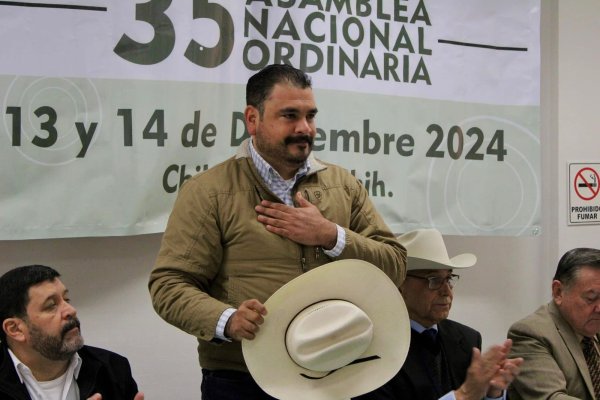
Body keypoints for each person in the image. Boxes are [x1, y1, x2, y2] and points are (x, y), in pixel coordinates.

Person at [148, 63, 406, 399]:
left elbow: (396, 265)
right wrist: (227, 320)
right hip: (244, 379)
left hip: (344, 370)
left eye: (310, 116)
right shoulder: (208, 191)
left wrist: (331, 235)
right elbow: (169, 285)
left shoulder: (344, 185)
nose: (305, 128)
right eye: (289, 115)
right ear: (252, 119)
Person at [355, 228, 523, 400]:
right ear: (399, 285)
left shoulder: (467, 339)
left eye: (449, 279)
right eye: (434, 280)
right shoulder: (371, 349)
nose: (446, 291)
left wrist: (491, 393)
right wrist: (463, 395)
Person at [0, 264, 144, 400]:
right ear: (15, 329)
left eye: (66, 299)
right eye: (51, 306)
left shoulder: (112, 368)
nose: (70, 310)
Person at [507, 247, 600, 400]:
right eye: (591, 298)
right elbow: (551, 397)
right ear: (558, 292)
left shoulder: (592, 326)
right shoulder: (530, 333)